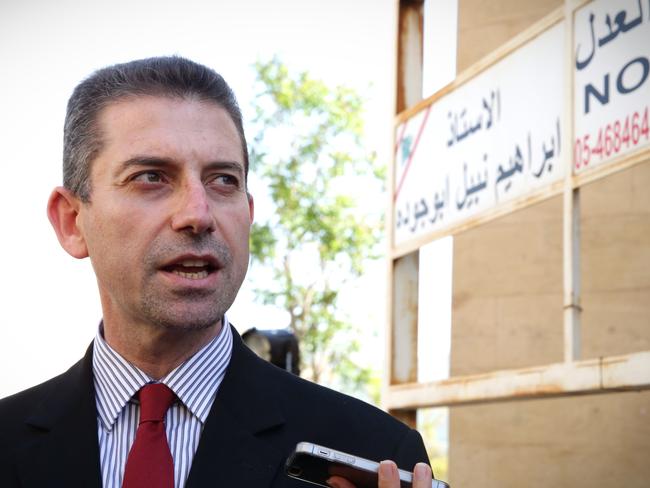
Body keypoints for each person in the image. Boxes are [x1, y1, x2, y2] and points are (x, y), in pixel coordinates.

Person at [0, 56, 435, 488]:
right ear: (72, 221)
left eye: (223, 180)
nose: (198, 214)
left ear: (248, 213)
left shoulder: (375, 455)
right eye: (151, 176)